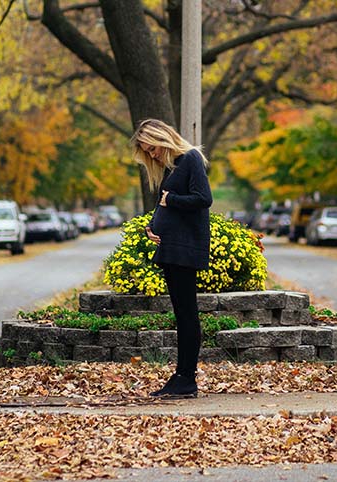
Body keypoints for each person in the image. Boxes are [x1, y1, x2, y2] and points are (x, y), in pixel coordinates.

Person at [131, 118, 213, 398]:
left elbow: (204, 199)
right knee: (182, 314)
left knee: (187, 314)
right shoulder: (172, 167)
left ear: (162, 139)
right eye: (147, 151)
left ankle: (186, 378)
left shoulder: (190, 158)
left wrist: (171, 202)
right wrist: (153, 227)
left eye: (152, 148)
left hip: (185, 249)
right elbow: (165, 203)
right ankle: (181, 376)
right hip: (172, 247)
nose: (152, 155)